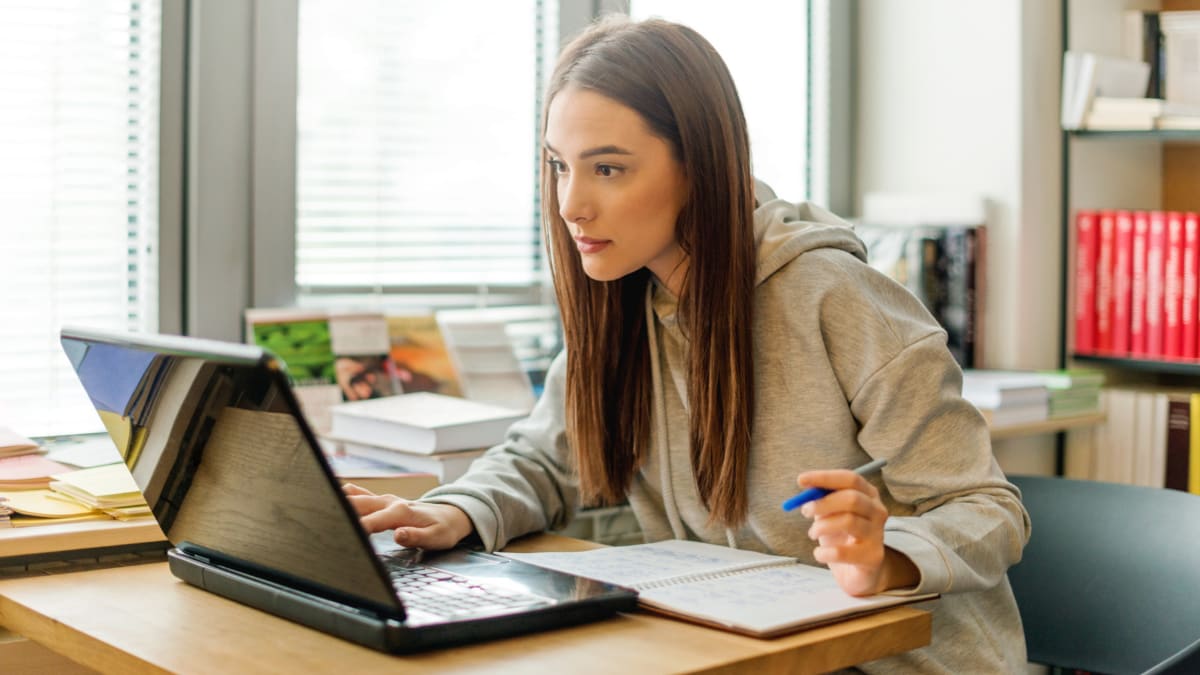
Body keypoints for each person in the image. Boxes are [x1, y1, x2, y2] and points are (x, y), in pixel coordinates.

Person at [344, 16, 1031, 673]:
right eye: (559, 165)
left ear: (699, 165)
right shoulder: (625, 296)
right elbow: (545, 459)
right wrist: (455, 509)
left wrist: (885, 555)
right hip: (741, 655)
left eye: (608, 169)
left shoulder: (834, 296)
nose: (570, 204)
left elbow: (988, 509)